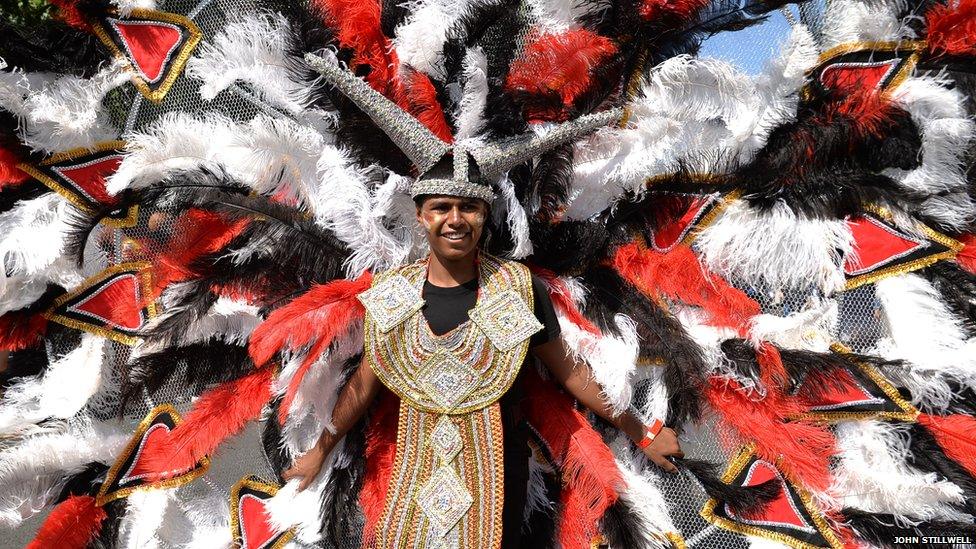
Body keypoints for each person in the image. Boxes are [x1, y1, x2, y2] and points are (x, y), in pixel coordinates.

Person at [283, 182, 684, 548]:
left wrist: (641, 431)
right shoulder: (393, 294)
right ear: (421, 215)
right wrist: (320, 450)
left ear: (485, 216)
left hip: (496, 478)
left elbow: (571, 372)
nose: (455, 220)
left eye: (469, 208)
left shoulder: (517, 290)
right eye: (441, 207)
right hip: (413, 471)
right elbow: (365, 382)